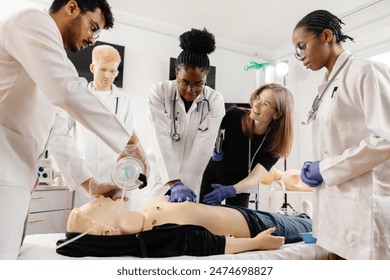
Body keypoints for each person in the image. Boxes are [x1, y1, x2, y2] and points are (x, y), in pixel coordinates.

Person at [0, 0, 148, 259]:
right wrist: (129, 141)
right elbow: (66, 90)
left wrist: (90, 184)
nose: (92, 39)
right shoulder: (31, 21)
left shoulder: (48, 57)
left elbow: (55, 131)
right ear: (71, 7)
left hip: (16, 174)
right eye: (92, 27)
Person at [292, 9, 390, 259]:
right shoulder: (326, 85)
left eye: (302, 46)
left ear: (326, 35)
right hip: (338, 213)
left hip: (365, 210)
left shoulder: (365, 71)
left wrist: (324, 167)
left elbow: (385, 140)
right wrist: (318, 166)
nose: (299, 56)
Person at [56, 195, 312, 258]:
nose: (99, 199)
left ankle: (303, 215)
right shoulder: (152, 237)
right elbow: (207, 244)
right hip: (257, 226)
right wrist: (258, 243)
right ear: (108, 232)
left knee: (301, 217)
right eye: (97, 206)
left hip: (239, 212)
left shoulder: (140, 213)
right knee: (310, 223)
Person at [147, 28, 225, 203]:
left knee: (182, 222)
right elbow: (159, 137)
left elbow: (203, 149)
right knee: (151, 219)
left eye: (199, 84)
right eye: (185, 83)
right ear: (177, 74)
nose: (191, 90)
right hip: (161, 176)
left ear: (205, 78)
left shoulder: (214, 101)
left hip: (191, 179)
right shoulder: (159, 92)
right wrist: (174, 182)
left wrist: (185, 187)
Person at [199, 83, 294, 207]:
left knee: (236, 223)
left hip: (241, 183)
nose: (256, 105)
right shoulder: (234, 115)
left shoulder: (275, 144)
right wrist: (214, 147)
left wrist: (231, 190)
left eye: (265, 104)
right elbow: (210, 133)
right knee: (203, 214)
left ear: (277, 114)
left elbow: (254, 178)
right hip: (215, 170)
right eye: (257, 98)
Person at [65, 44, 137, 206]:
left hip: (116, 173)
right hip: (87, 174)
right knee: (85, 223)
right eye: (103, 69)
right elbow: (61, 131)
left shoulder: (124, 100)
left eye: (113, 71)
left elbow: (130, 139)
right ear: (92, 68)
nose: (108, 75)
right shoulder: (78, 97)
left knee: (115, 224)